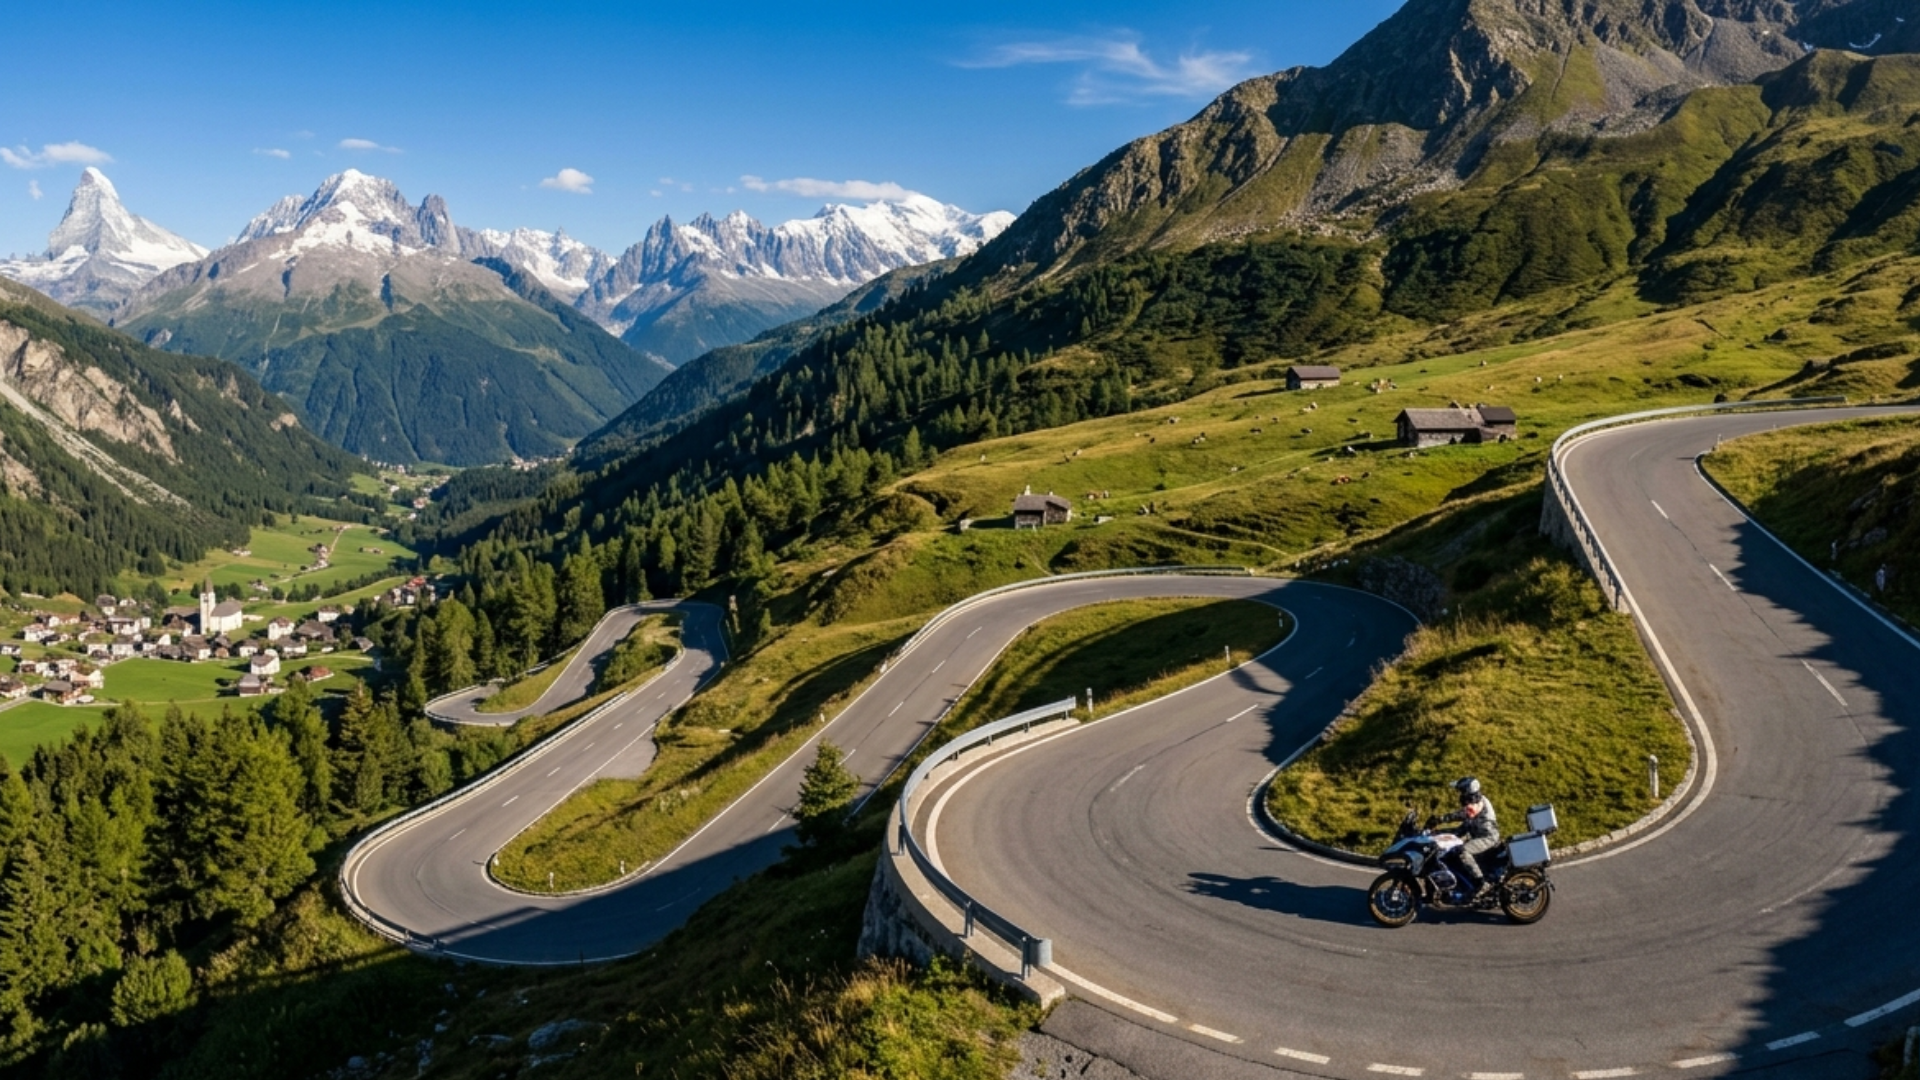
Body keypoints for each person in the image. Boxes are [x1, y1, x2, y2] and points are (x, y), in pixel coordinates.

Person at [1441, 776, 1500, 900]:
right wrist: (1438, 833)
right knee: (1454, 849)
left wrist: (1442, 818)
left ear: (1468, 790)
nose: (1460, 794)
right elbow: (1463, 827)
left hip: (1487, 837)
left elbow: (1466, 814)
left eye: (1461, 790)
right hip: (1480, 834)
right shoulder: (1475, 799)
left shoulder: (1476, 802)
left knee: (1464, 851)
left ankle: (1481, 883)